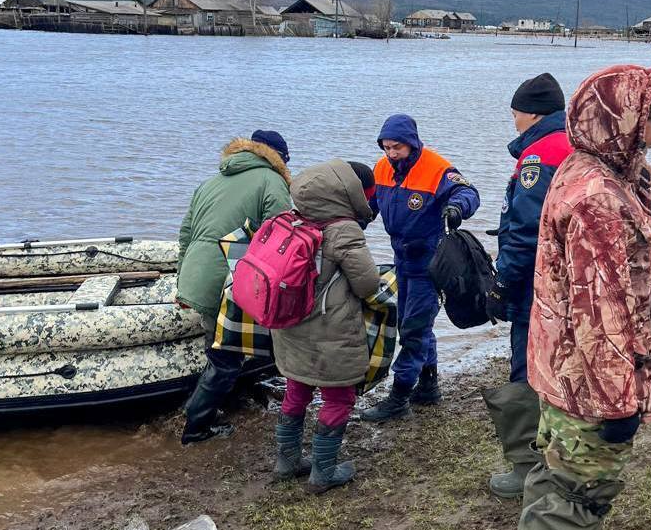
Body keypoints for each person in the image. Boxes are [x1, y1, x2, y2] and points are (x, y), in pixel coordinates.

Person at [486, 65, 651, 530]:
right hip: (590, 376)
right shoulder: (596, 197)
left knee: (554, 471)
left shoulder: (582, 171)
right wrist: (619, 401)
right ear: (622, 123)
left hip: (563, 366)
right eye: (650, 123)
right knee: (581, 484)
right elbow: (602, 309)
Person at [483, 72, 574, 499]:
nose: (514, 121)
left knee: (526, 370)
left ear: (532, 113)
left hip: (536, 285)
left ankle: (527, 467)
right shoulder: (576, 146)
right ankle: (563, 457)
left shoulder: (540, 155)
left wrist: (503, 280)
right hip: (568, 284)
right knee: (559, 367)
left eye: (515, 113)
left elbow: (525, 230)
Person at [270, 159, 380, 493]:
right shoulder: (342, 229)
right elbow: (368, 284)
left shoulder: (291, 219)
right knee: (339, 398)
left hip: (290, 326)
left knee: (297, 388)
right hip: (328, 331)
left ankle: (286, 462)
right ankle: (323, 472)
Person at [361, 114, 480, 421]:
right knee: (415, 324)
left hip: (430, 261)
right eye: (386, 147)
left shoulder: (436, 168)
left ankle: (399, 396)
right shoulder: (382, 169)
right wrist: (354, 220)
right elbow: (372, 204)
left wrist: (456, 208)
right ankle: (428, 385)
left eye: (396, 147)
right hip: (402, 258)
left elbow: (469, 193)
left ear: (411, 144)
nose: (391, 153)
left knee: (413, 328)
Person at [177, 130, 292, 445]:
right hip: (229, 280)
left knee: (216, 347)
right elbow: (280, 240)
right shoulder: (272, 182)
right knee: (226, 359)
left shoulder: (210, 182)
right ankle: (196, 426)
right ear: (279, 158)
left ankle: (208, 405)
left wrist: (182, 281)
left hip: (196, 276)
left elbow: (185, 235)